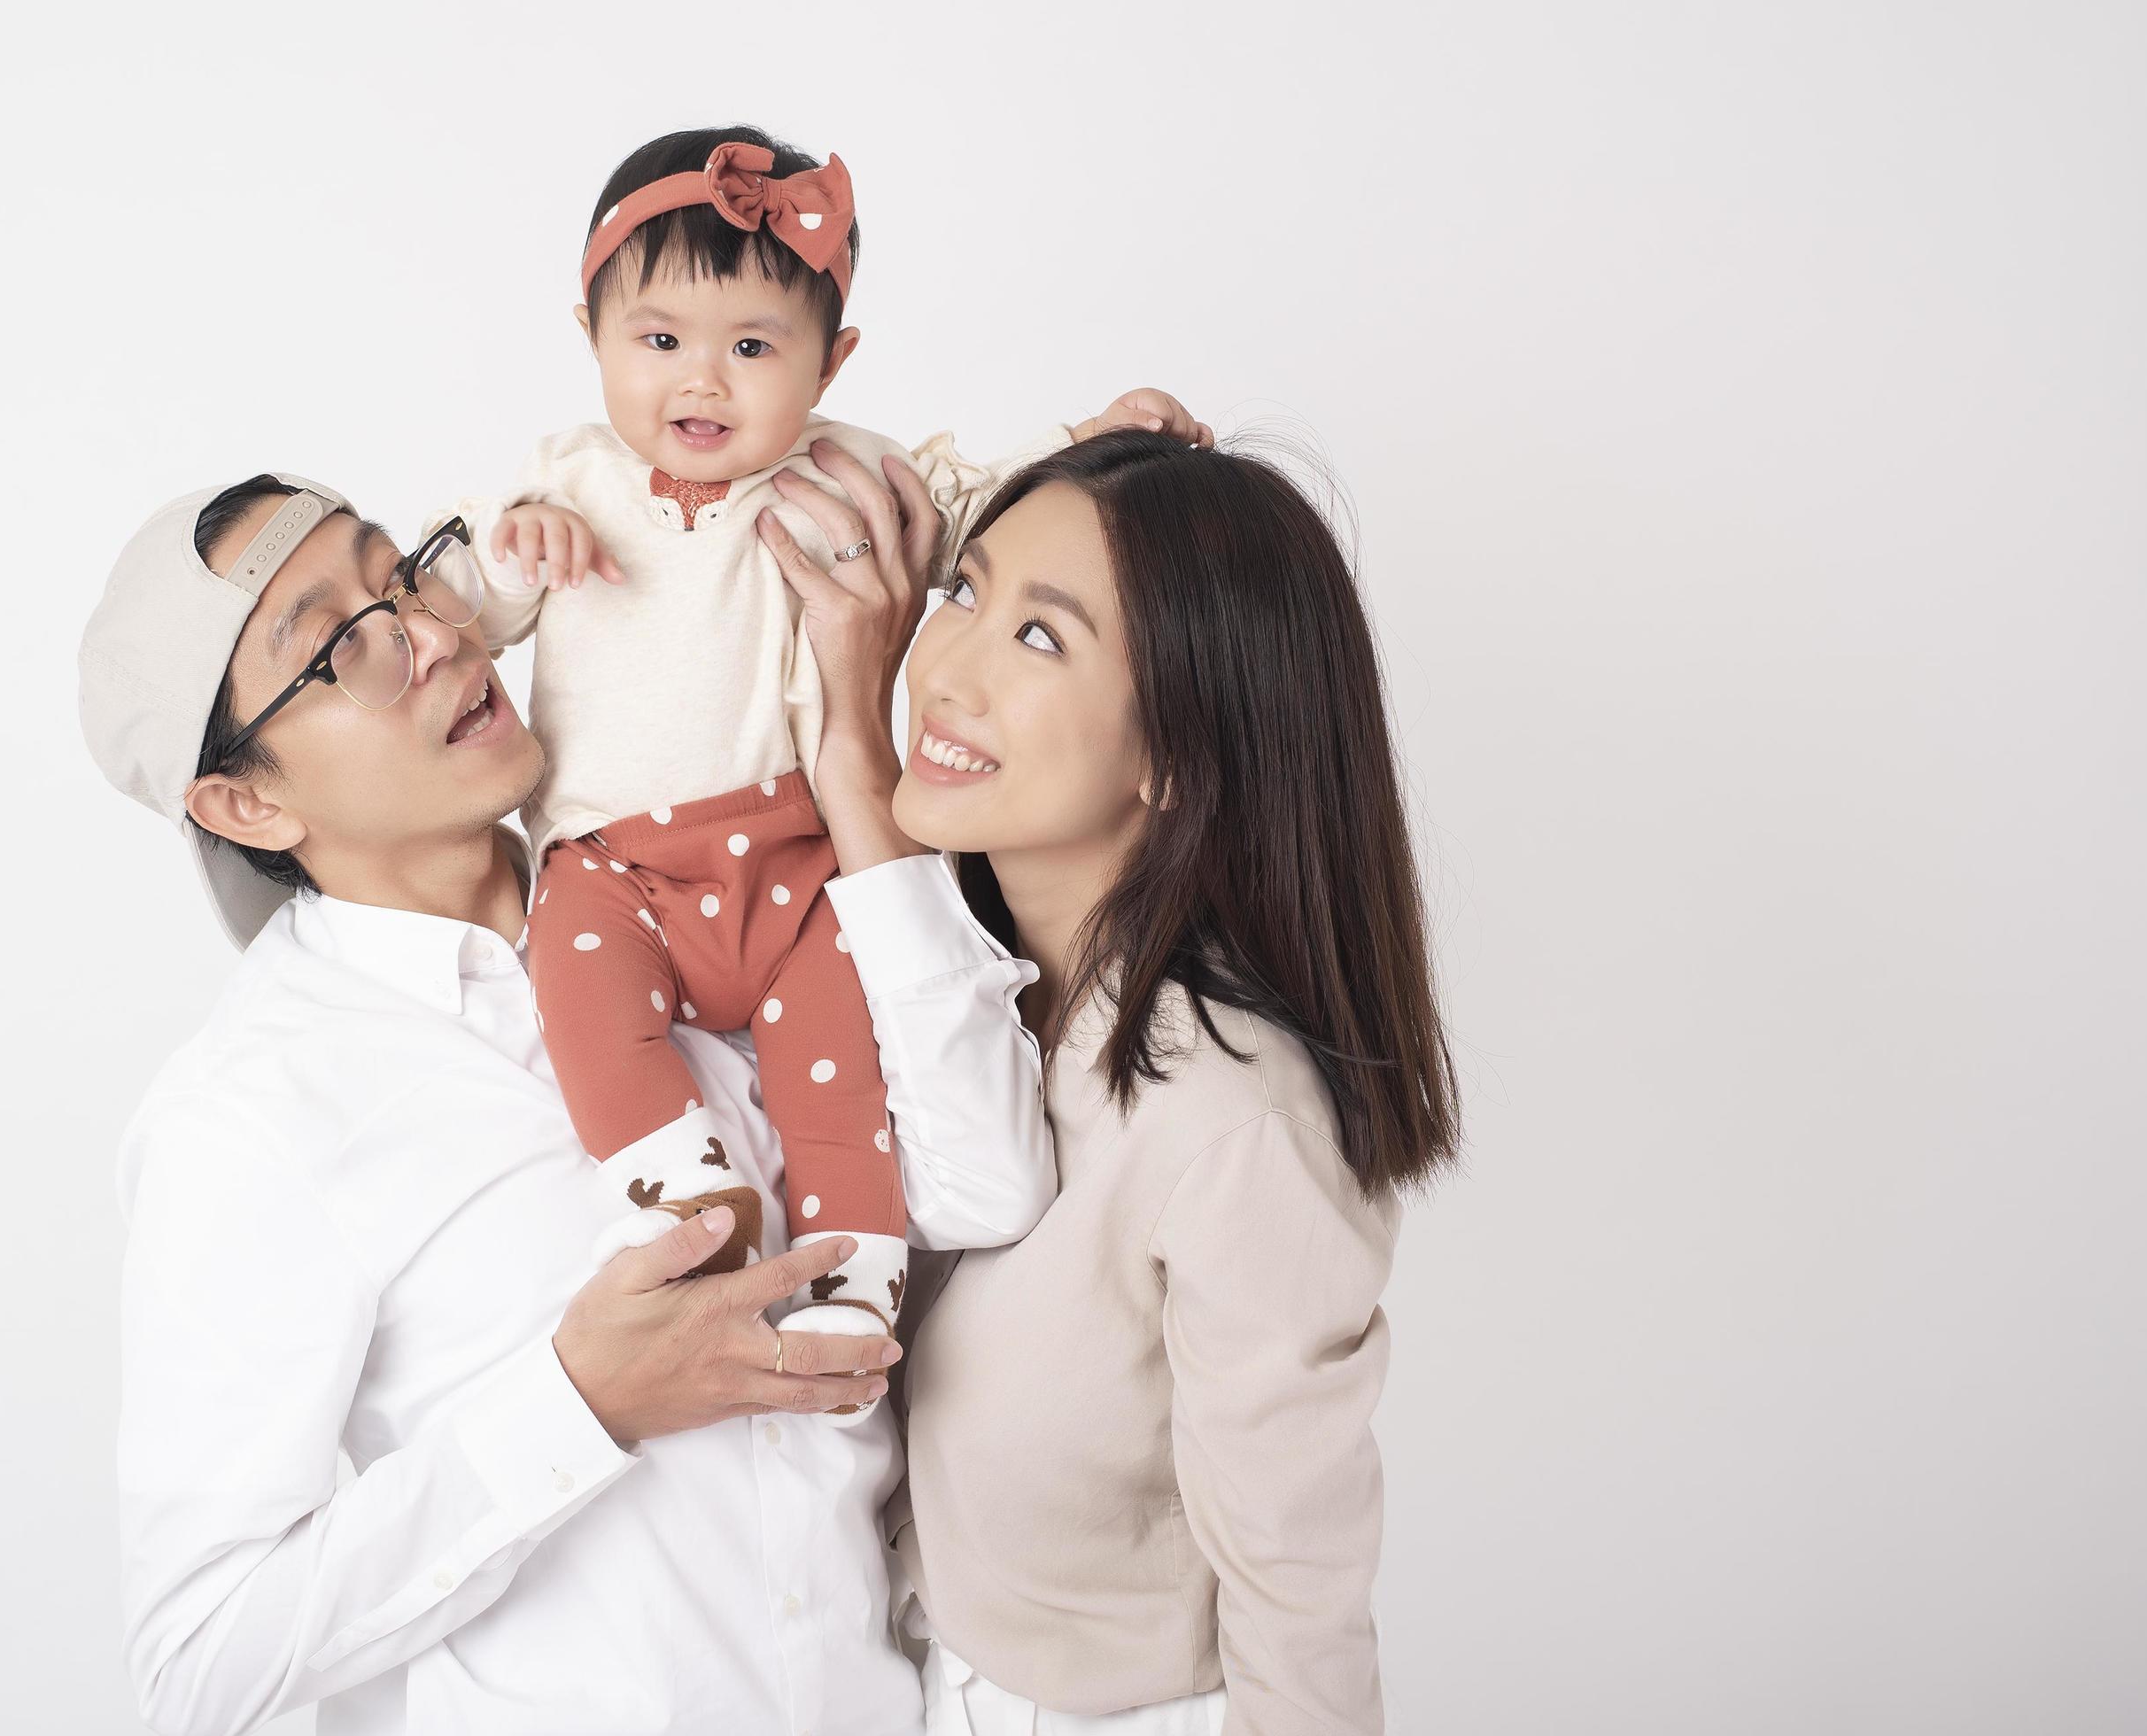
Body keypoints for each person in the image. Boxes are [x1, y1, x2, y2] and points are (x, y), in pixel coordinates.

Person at [77, 449, 1049, 1733]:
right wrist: (580, 1403)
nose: (431, 636)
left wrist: (858, 758)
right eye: (342, 648)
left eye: (407, 577)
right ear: (244, 803)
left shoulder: (708, 900)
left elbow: (989, 1185)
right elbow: (200, 1658)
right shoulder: (254, 1113)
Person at [445, 122, 1208, 1383]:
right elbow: (466, 611)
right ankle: (689, 1200)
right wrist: (514, 540)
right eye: (658, 342)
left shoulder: (850, 476)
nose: (703, 382)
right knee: (578, 1004)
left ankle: (854, 1273)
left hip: (803, 862)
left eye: (753, 348)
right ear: (588, 333)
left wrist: (1096, 444)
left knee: (836, 1074)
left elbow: (995, 518)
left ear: (831, 362)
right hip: (615, 872)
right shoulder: (567, 483)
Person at [778, 429, 1461, 1732]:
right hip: (913, 1677)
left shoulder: (1228, 1116)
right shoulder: (949, 982)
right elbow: (731, 411)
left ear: (1177, 756)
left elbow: (1296, 1573)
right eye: (964, 595)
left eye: (1041, 639)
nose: (948, 671)